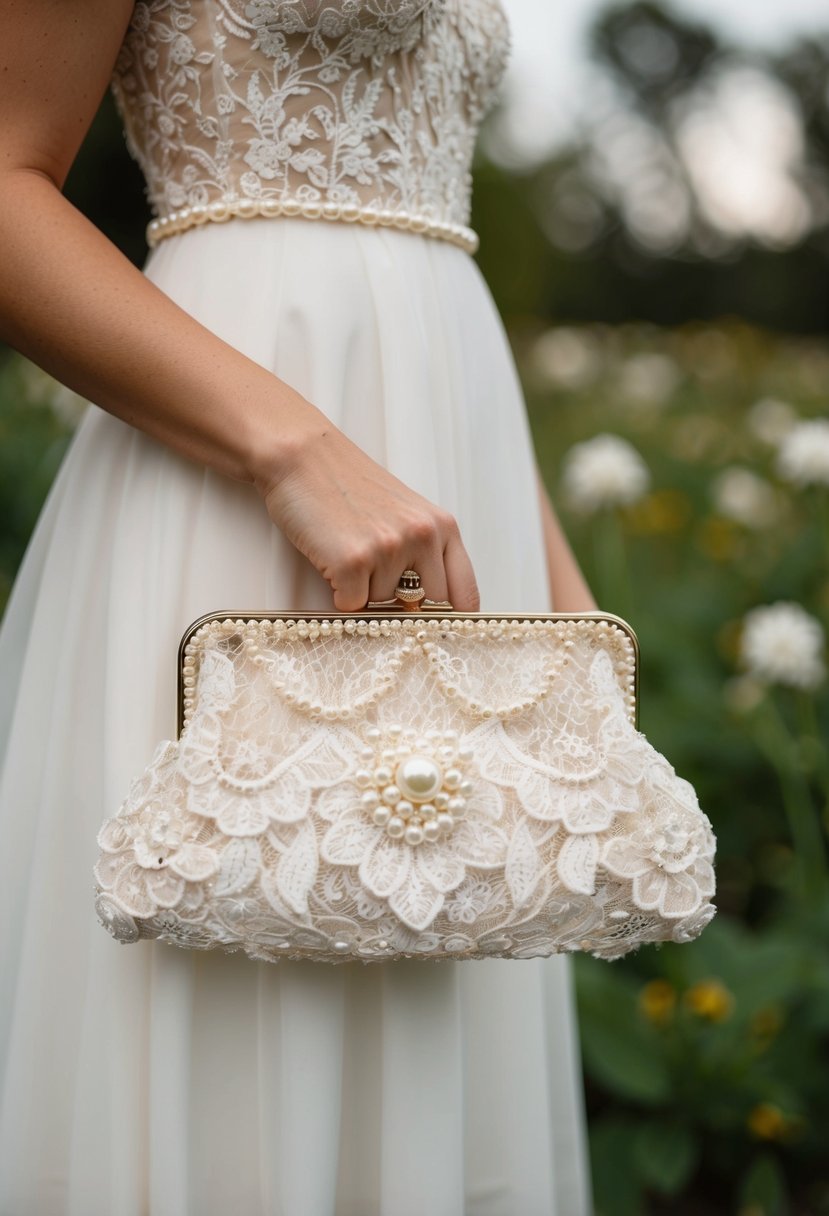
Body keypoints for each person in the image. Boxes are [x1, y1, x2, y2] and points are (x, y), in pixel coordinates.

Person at [0, 2, 596, 1212]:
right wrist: (294, 454)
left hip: (453, 479)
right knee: (233, 964)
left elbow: (431, 258)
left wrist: (568, 621)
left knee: (446, 951)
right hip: (232, 466)